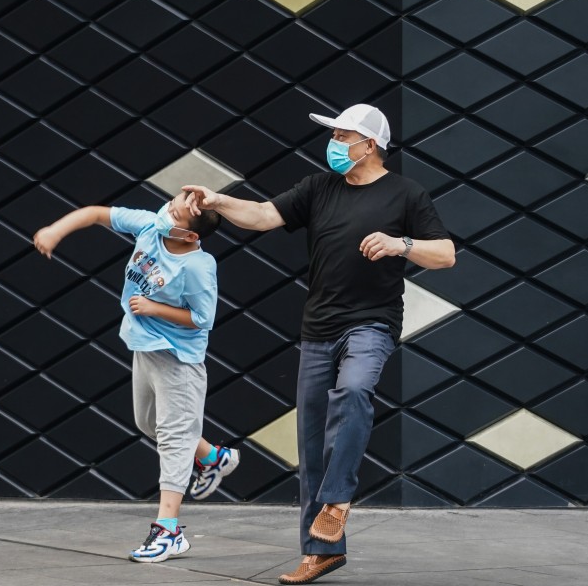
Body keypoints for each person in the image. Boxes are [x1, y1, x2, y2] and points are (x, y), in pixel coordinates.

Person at [184, 104, 455, 584]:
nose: (332, 142)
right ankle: (321, 550)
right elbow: (265, 215)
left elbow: (446, 254)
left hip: (371, 323)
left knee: (352, 393)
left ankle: (338, 499)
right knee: (311, 443)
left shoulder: (406, 194)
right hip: (318, 328)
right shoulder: (318, 187)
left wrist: (402, 246)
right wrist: (217, 200)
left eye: (341, 134)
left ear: (368, 144)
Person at [33, 190, 240, 563]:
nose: (166, 212)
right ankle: (212, 457)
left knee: (175, 439)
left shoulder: (197, 266)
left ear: (190, 235)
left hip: (179, 360)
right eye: (171, 203)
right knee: (148, 424)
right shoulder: (150, 225)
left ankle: (168, 530)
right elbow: (96, 211)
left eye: (175, 213)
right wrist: (54, 230)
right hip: (144, 349)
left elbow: (202, 319)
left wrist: (154, 308)